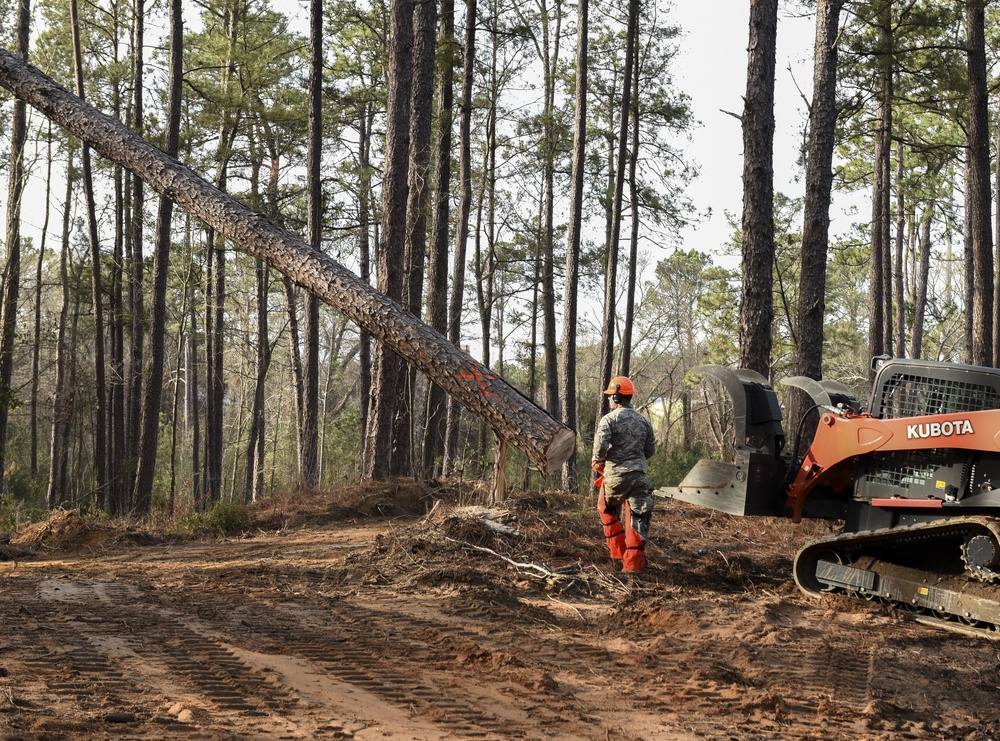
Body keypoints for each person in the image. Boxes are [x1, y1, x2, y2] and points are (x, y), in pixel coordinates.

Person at [591, 376, 656, 572]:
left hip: (615, 477)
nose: (609, 399)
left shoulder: (608, 420)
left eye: (611, 396)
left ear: (617, 397)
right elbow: (650, 450)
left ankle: (618, 553)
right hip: (639, 477)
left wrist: (600, 462)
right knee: (637, 517)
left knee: (606, 509)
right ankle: (633, 567)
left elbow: (600, 449)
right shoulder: (643, 420)